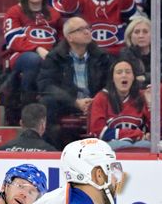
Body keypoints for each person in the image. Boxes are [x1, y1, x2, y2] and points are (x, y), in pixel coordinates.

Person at [36, 16, 112, 146]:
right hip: (68, 103)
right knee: (46, 102)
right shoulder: (55, 57)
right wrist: (74, 102)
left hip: (97, 101)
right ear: (69, 37)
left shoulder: (101, 56)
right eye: (80, 29)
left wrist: (97, 100)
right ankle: (51, 148)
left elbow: (109, 82)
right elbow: (46, 85)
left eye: (88, 28)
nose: (87, 32)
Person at [0, 0, 61, 120]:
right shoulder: (14, 12)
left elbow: (61, 39)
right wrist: (37, 49)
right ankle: (25, 106)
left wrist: (55, 54)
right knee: (33, 60)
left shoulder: (53, 13)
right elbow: (13, 39)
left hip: (49, 55)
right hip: (21, 55)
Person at [88, 59, 151, 149]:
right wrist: (134, 134)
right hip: (109, 146)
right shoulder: (101, 98)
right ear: (112, 78)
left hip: (139, 143)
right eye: (119, 72)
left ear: (133, 77)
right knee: (124, 146)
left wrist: (150, 106)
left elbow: (153, 130)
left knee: (148, 146)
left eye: (128, 72)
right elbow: (98, 131)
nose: (124, 75)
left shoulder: (142, 96)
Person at [118, 16, 152, 87]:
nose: (141, 36)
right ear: (130, 36)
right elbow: (133, 79)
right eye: (136, 32)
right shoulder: (125, 55)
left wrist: (145, 77)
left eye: (145, 32)